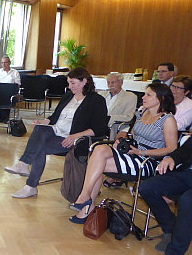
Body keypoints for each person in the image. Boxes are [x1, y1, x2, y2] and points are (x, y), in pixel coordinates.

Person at [70, 83, 178, 223]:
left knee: (97, 162)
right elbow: (132, 135)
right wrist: (121, 141)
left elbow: (171, 148)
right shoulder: (143, 113)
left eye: (148, 95)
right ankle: (85, 200)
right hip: (133, 153)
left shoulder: (167, 119)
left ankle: (85, 203)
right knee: (99, 151)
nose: (143, 97)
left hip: (149, 161)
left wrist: (142, 152)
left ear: (161, 99)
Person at [5, 67, 109, 199]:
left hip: (74, 138)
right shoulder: (68, 96)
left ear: (84, 82)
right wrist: (43, 121)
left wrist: (75, 136)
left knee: (39, 148)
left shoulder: (96, 100)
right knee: (39, 129)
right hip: (56, 131)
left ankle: (30, 185)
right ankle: (24, 165)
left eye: (73, 83)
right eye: (69, 83)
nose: (70, 86)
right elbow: (54, 118)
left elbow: (99, 128)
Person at [139, 136, 192, 255]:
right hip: (188, 174)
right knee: (147, 187)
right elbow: (186, 149)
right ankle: (171, 229)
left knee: (187, 200)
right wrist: (172, 158)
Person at [98, 72, 137, 137]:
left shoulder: (130, 97)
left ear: (121, 83)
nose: (110, 85)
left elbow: (129, 117)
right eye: (108, 83)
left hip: (113, 126)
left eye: (113, 82)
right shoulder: (101, 94)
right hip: (97, 124)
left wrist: (108, 118)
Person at [0, 55, 20, 123]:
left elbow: (17, 85)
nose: (3, 64)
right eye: (2, 63)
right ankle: (4, 117)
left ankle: (4, 117)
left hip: (10, 94)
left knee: (8, 98)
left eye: (5, 62)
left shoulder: (15, 72)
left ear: (9, 63)